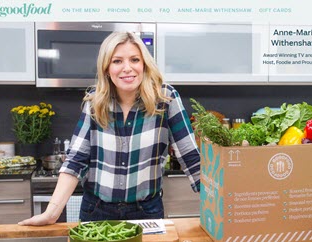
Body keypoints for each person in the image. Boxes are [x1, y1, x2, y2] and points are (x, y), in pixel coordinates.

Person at [19, 32, 201, 225]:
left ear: (144, 64)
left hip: (146, 211)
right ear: (106, 68)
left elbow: (190, 156)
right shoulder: (95, 100)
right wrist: (52, 213)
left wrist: (220, 206)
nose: (127, 68)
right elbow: (76, 159)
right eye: (117, 61)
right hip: (96, 210)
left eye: (134, 60)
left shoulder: (165, 98)